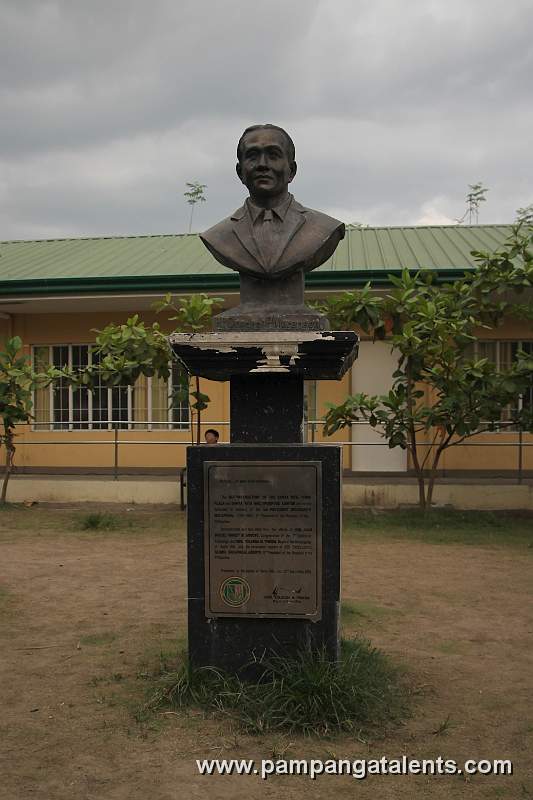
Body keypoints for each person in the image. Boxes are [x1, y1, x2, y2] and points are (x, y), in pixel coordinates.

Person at [200, 124, 345, 282]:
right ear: (240, 172)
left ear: (292, 170)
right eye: (253, 156)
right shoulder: (218, 236)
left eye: (273, 155)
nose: (263, 164)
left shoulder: (324, 228)